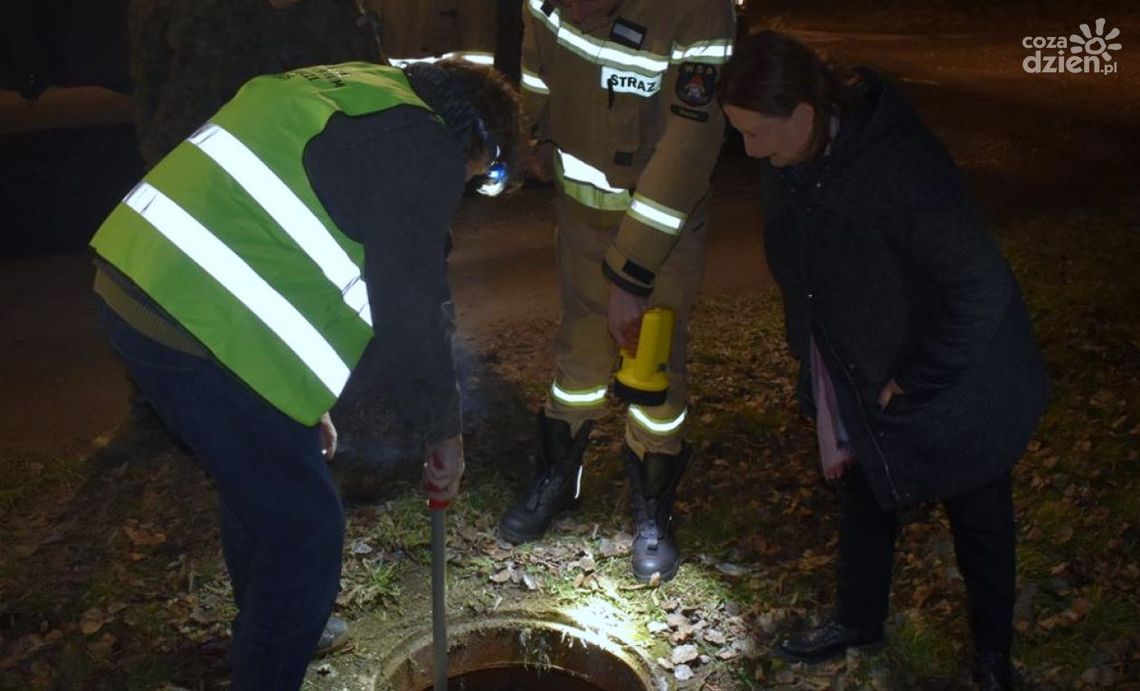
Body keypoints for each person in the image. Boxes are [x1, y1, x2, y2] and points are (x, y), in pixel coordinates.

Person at [90, 58, 519, 690]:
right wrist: (441, 429)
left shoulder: (359, 91)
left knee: (266, 481)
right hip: (190, 324)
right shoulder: (423, 146)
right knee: (306, 531)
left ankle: (276, 619)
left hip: (138, 276)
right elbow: (412, 307)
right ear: (475, 137)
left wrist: (297, 402)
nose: (472, 188)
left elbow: (277, 244)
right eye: (488, 173)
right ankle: (273, 652)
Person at [717, 31, 1049, 690]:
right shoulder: (792, 164)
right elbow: (802, 273)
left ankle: (992, 660)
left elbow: (981, 285)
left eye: (758, 134)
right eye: (741, 134)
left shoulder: (901, 168)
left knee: (980, 517)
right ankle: (857, 618)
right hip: (862, 372)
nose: (752, 152)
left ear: (805, 114)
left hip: (960, 380)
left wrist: (914, 380)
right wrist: (812, 364)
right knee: (866, 500)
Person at [495, 0, 736, 584]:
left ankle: (654, 509)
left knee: (651, 368)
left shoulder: (700, 13)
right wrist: (531, 128)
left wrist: (632, 274)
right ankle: (559, 477)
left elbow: (690, 149)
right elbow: (535, 58)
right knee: (578, 352)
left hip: (660, 231)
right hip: (580, 215)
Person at [128, 0, 382, 169]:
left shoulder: (340, 11)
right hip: (202, 173)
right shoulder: (185, 11)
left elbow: (369, 87)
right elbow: (148, 93)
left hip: (319, 173)